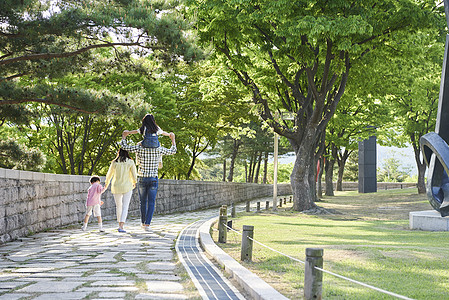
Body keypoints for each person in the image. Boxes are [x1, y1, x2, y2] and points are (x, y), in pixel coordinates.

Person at [120, 129, 176, 232]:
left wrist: (124, 136)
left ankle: (142, 223)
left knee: (142, 202)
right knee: (151, 202)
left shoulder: (140, 148)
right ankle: (147, 225)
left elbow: (124, 147)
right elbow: (173, 151)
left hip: (142, 177)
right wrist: (173, 140)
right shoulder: (158, 149)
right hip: (153, 178)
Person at [103, 149, 137, 233]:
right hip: (127, 186)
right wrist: (134, 182)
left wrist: (106, 184)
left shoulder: (114, 162)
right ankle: (121, 225)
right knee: (125, 206)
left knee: (118, 206)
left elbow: (109, 174)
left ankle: (119, 224)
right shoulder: (130, 162)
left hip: (116, 186)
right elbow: (134, 174)